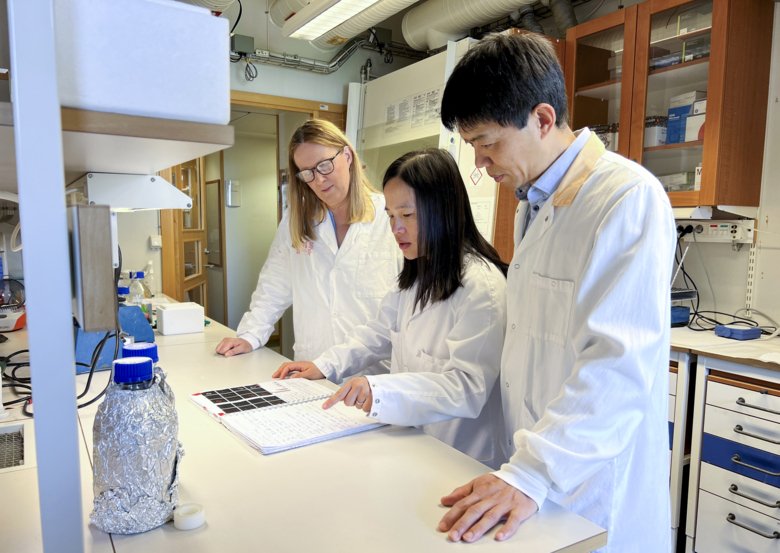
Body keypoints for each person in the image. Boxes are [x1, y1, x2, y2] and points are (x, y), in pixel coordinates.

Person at [435, 32, 676, 552]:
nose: (479, 162)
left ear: (543, 120)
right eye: (473, 145)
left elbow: (616, 364)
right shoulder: (533, 202)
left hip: (592, 483)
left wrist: (534, 471)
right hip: (539, 476)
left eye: (488, 142)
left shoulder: (627, 198)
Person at [273, 148, 508, 469]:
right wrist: (323, 365)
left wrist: (380, 389)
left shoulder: (482, 286)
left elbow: (467, 388)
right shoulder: (415, 274)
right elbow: (377, 333)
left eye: (407, 215)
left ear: (443, 210)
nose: (396, 229)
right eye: (391, 216)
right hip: (414, 443)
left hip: (460, 457)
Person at [215, 119, 402, 372]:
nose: (318, 180)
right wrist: (250, 335)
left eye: (324, 165)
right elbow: (274, 285)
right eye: (307, 173)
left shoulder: (388, 216)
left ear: (347, 155)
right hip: (312, 365)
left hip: (374, 374)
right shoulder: (296, 221)